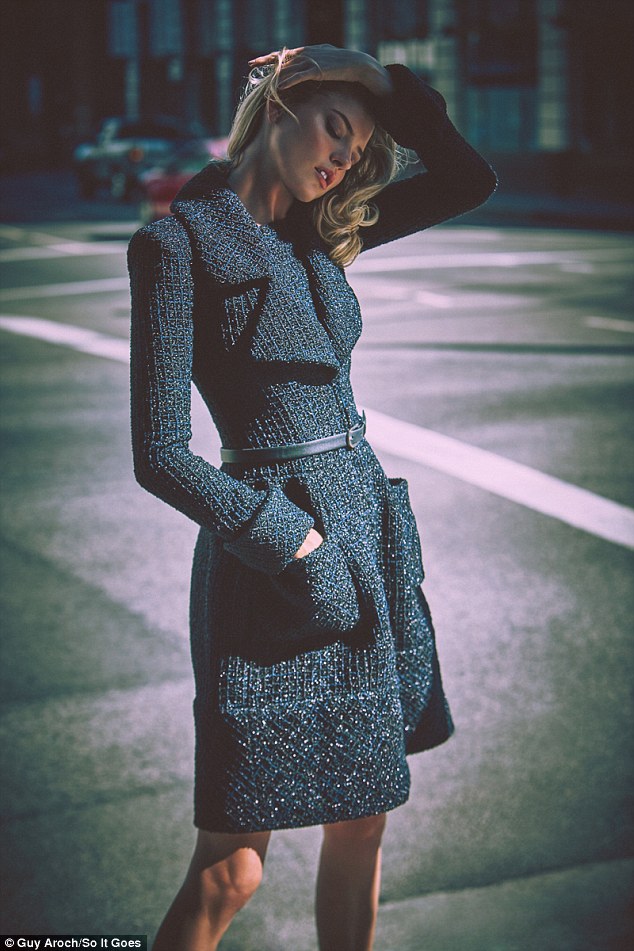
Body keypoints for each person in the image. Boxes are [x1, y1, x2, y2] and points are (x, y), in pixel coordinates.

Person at [128, 44, 496, 951]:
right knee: (232, 866)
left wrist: (365, 76)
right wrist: (291, 543)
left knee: (363, 819)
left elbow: (467, 179)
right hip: (273, 563)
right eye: (335, 128)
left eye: (357, 149)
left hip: (364, 537)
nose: (342, 158)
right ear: (280, 103)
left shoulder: (322, 231)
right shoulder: (175, 245)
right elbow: (160, 454)